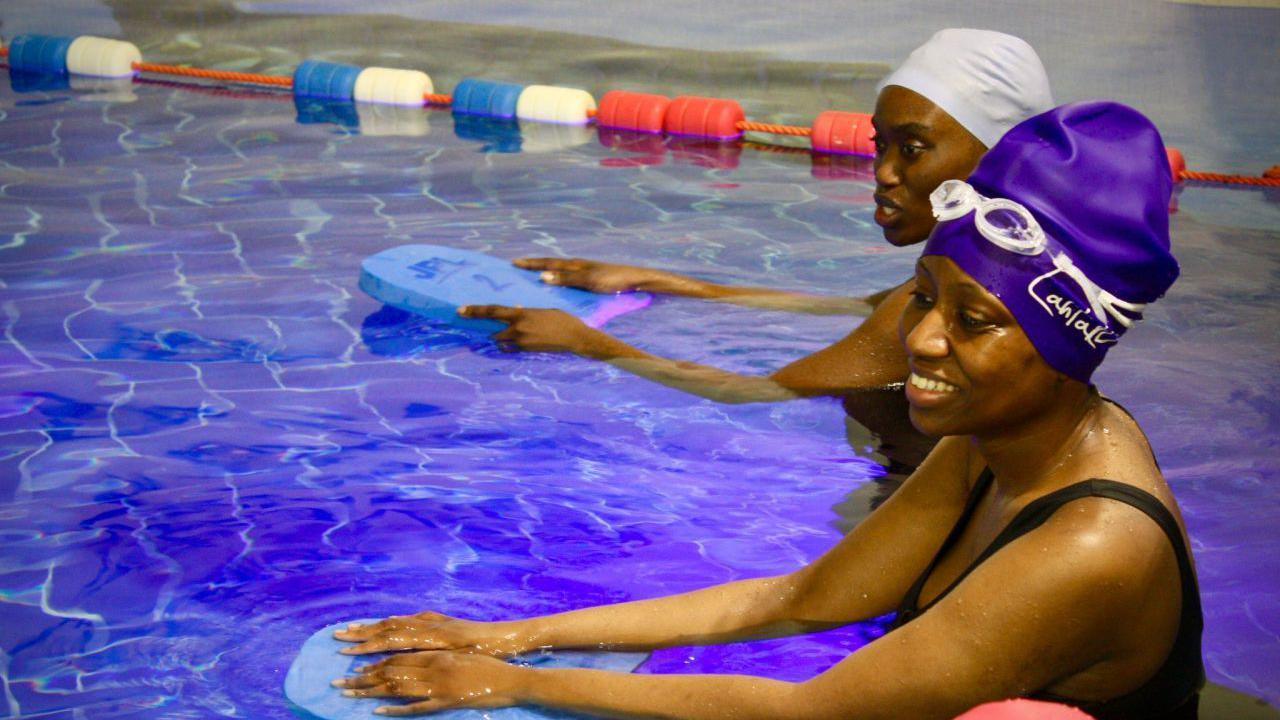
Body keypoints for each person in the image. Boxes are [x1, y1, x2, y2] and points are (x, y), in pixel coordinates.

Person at [331, 102, 1203, 719]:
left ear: (1068, 344)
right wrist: (506, 637)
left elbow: (813, 713)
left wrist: (516, 686)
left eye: (973, 322)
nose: (923, 341)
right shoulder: (999, 436)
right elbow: (803, 598)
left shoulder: (1091, 548)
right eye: (924, 299)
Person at [460, 29, 1055, 404]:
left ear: (999, 155)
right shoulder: (1004, 266)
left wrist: (589, 344)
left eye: (913, 149)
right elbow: (859, 310)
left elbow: (758, 392)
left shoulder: (960, 298)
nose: (884, 172)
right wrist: (660, 283)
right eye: (880, 144)